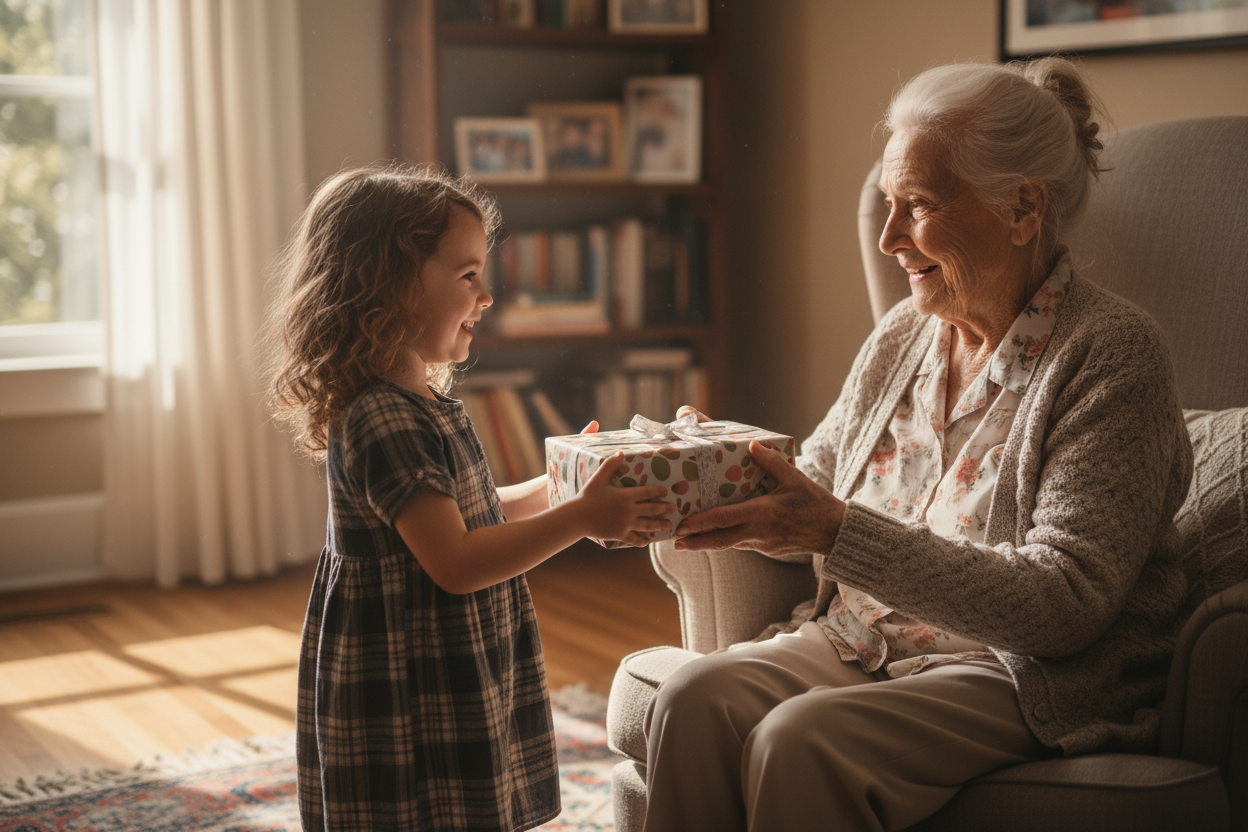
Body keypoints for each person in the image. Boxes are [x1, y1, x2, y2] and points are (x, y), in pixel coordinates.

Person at [641, 57, 1194, 832]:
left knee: (801, 742)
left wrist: (837, 532)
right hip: (862, 640)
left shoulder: (1112, 352)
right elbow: (815, 482)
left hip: (1016, 671)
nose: (890, 238)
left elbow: (1067, 604)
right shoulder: (906, 332)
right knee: (692, 698)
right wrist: (705, 466)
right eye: (889, 204)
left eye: (920, 205)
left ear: (1022, 208)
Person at [267, 165, 674, 831]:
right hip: (409, 669)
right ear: (392, 285)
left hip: (442, 650)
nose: (485, 296)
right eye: (467, 276)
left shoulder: (417, 402)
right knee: (419, 806)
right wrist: (581, 518)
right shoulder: (384, 416)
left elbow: (472, 514)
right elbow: (456, 561)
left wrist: (558, 488)